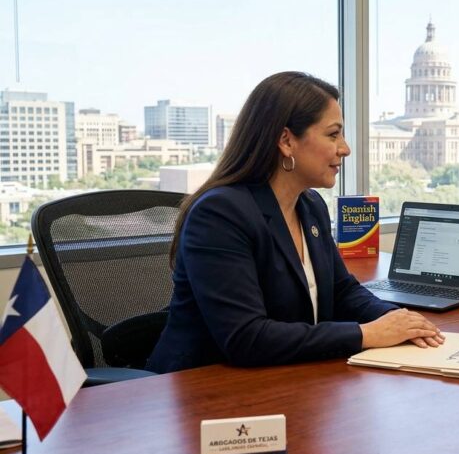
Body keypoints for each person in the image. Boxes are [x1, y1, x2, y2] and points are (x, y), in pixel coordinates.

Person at [148, 72, 443, 373]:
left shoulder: (310, 205)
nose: (345, 148)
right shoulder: (220, 215)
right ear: (286, 141)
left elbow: (343, 292)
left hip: (287, 379)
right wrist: (367, 334)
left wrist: (400, 322)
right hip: (203, 390)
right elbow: (247, 338)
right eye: (333, 134)